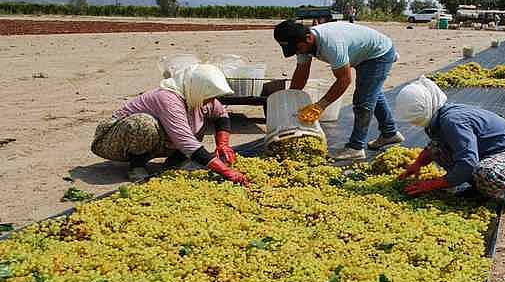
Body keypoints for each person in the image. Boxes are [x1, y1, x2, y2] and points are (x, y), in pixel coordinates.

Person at [394, 77, 505, 208]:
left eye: (414, 118)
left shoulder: (453, 120)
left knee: (488, 173)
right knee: (437, 148)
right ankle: (481, 188)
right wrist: (417, 164)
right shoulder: (439, 119)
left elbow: (468, 162)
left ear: (426, 107)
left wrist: (431, 184)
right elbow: (433, 147)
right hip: (491, 154)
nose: (413, 123)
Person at [91, 63, 249, 185]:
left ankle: (175, 161)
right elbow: (185, 141)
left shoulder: (197, 96)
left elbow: (221, 115)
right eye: (209, 96)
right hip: (112, 140)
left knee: (196, 120)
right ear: (199, 87)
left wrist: (223, 144)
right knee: (143, 124)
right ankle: (136, 165)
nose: (211, 100)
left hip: (156, 141)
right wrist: (226, 171)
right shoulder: (168, 98)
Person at [273, 19, 404, 160]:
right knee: (372, 93)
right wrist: (291, 100)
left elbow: (344, 79)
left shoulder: (332, 44)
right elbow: (301, 72)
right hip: (362, 52)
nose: (297, 52)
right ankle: (390, 134)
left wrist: (320, 106)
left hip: (378, 54)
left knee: (363, 101)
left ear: (309, 38)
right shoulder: (302, 43)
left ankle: (356, 147)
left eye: (297, 49)